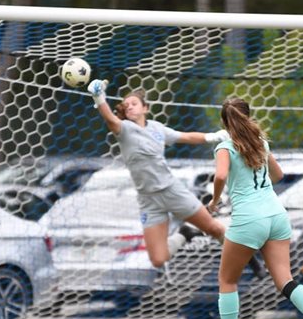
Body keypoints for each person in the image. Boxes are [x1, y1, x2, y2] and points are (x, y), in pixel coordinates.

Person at [205, 97, 303, 319]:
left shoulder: (225, 146)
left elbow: (220, 176)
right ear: (249, 116)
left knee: (227, 279)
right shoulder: (261, 144)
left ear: (225, 122)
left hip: (249, 219)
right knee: (285, 279)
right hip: (277, 215)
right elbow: (278, 176)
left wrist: (215, 200)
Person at [87, 79, 230, 269]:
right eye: (126, 105)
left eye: (134, 103)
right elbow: (110, 119)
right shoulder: (125, 130)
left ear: (145, 108)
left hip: (171, 190)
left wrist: (213, 137)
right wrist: (99, 97)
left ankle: (247, 258)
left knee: (214, 228)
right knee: (158, 259)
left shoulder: (157, 129)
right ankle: (184, 234)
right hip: (149, 200)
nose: (129, 107)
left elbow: (185, 137)